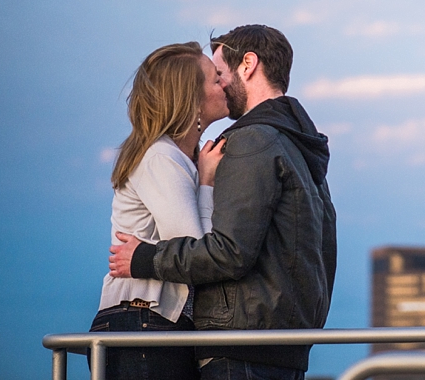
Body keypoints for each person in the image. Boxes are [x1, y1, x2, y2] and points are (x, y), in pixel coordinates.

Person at [109, 25, 337, 380]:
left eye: (221, 74)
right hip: (281, 339)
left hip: (241, 338)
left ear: (248, 65)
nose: (221, 85)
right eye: (213, 78)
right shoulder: (299, 148)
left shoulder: (252, 141)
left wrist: (143, 257)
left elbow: (222, 251)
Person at [91, 42, 230, 380]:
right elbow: (194, 255)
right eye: (215, 80)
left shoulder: (178, 159)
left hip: (150, 323)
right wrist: (208, 184)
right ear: (190, 98)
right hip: (143, 322)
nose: (224, 84)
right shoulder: (161, 158)